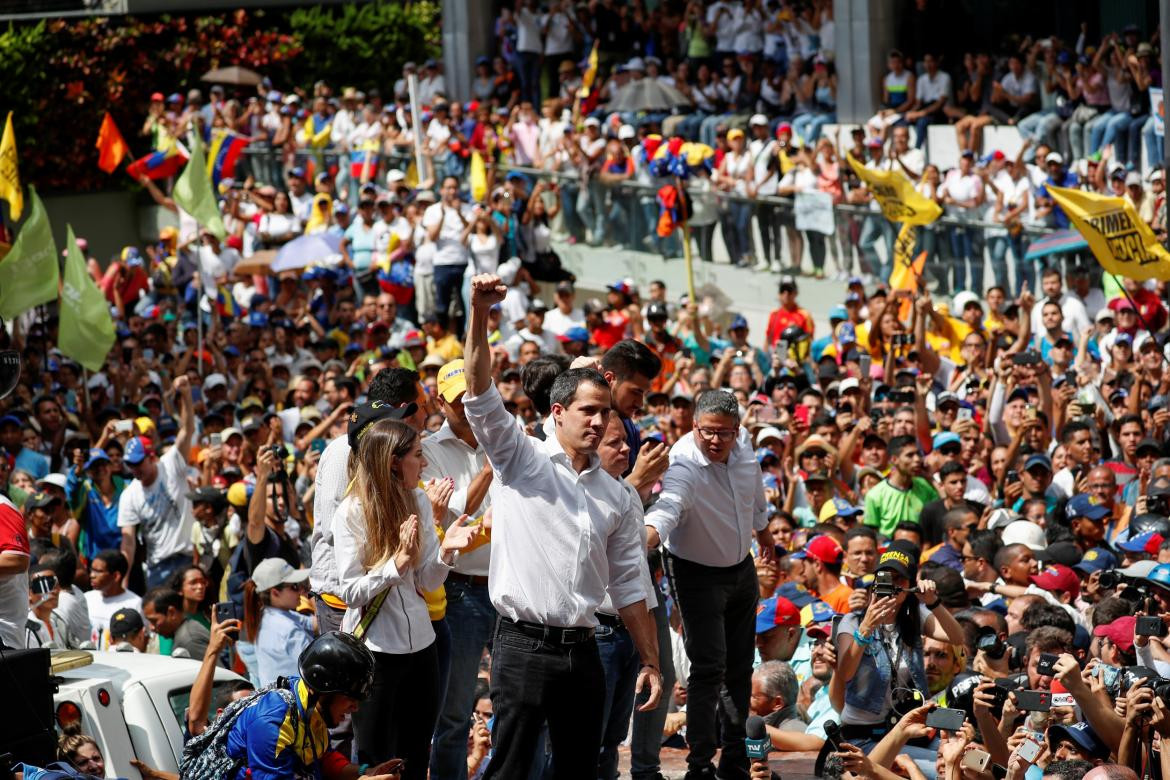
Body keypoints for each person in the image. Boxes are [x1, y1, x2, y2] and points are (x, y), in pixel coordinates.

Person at [461, 273, 662, 780]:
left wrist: (652, 662)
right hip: (520, 648)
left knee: (579, 770)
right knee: (511, 769)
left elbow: (630, 584)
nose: (597, 422)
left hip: (584, 652)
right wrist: (479, 314)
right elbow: (480, 391)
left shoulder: (617, 495)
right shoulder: (518, 457)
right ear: (558, 412)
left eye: (604, 413)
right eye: (587, 412)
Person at [332, 415, 475, 778]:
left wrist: (446, 552)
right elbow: (348, 591)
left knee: (415, 753)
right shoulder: (353, 512)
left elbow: (427, 580)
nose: (424, 463)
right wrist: (395, 565)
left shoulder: (418, 500)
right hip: (377, 653)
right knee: (377, 757)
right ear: (393, 461)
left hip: (422, 646)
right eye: (417, 454)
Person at [646, 388, 773, 780]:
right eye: (708, 433)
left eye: (724, 433)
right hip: (695, 574)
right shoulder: (683, 463)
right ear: (693, 426)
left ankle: (735, 759)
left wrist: (764, 529)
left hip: (741, 569)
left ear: (738, 429)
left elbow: (753, 485)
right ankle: (699, 764)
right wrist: (644, 538)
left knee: (741, 668)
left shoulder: (744, 442)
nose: (716, 441)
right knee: (708, 669)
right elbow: (667, 509)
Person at [829, 540, 966, 770]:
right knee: (947, 768)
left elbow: (957, 637)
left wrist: (933, 602)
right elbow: (845, 673)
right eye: (884, 578)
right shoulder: (851, 621)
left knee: (967, 760)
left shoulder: (915, 617)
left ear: (910, 586)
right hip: (864, 738)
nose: (891, 585)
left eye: (899, 579)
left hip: (908, 732)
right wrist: (865, 629)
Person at [216, 631, 404, 780]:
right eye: (350, 698)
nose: (355, 708)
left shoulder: (309, 703)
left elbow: (323, 759)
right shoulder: (271, 725)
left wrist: (366, 771)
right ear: (322, 691)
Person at [118, 376, 196, 588]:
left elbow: (187, 430)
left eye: (138, 463)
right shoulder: (129, 494)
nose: (135, 469)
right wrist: (123, 580)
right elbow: (129, 540)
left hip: (187, 559)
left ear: (152, 457)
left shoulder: (171, 463)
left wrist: (187, 396)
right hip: (157, 568)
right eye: (130, 465)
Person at [243, 557, 316, 687]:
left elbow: (312, 624)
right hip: (294, 702)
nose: (300, 591)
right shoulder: (287, 629)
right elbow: (318, 666)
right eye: (294, 587)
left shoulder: (268, 615)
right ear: (275, 593)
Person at [84, 548, 141, 649]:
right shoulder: (87, 598)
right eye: (92, 570)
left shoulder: (135, 603)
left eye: (99, 571)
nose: (92, 575)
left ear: (116, 576)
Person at [142, 587, 211, 658]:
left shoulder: (190, 641)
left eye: (154, 621)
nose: (151, 627)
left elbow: (215, 668)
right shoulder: (184, 634)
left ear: (171, 613)